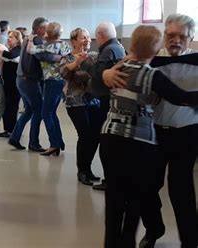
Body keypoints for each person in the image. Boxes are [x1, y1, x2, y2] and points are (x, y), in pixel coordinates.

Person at [98, 25, 198, 248]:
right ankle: (149, 232)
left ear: (191, 38)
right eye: (170, 35)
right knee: (141, 194)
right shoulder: (150, 68)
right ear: (160, 43)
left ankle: (189, 241)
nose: (175, 40)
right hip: (144, 140)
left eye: (181, 36)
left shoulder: (129, 63)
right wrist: (105, 73)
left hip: (179, 134)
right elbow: (179, 97)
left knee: (179, 191)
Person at [7, 17, 60, 152]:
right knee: (39, 110)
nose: (48, 30)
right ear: (41, 28)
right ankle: (33, 143)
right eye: (46, 27)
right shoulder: (36, 40)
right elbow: (43, 56)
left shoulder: (28, 38)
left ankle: (15, 137)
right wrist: (60, 57)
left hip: (22, 80)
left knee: (29, 110)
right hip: (29, 81)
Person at [59, 28, 101, 185]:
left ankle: (88, 169)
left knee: (95, 136)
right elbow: (63, 72)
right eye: (83, 37)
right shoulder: (67, 58)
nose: (87, 40)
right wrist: (76, 63)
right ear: (73, 41)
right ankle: (82, 171)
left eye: (89, 37)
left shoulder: (95, 57)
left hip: (94, 101)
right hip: (75, 102)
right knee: (84, 135)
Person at [89, 21, 125, 191]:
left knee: (105, 142)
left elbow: (98, 73)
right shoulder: (119, 47)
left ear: (101, 36)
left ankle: (110, 180)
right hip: (112, 99)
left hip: (105, 100)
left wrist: (86, 65)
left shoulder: (109, 50)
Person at [27, 22, 71, 156]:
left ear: (48, 33)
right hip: (61, 81)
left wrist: (30, 39)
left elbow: (30, 50)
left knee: (46, 113)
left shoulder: (45, 47)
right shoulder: (65, 45)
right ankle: (58, 142)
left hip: (51, 82)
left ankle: (54, 144)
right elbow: (69, 58)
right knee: (52, 113)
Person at [0, 30, 22, 136]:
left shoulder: (18, 49)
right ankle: (8, 128)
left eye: (11, 37)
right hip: (8, 83)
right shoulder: (10, 48)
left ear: (17, 40)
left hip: (15, 84)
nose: (9, 39)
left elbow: (11, 56)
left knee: (12, 106)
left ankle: (12, 129)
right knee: (7, 105)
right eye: (8, 37)